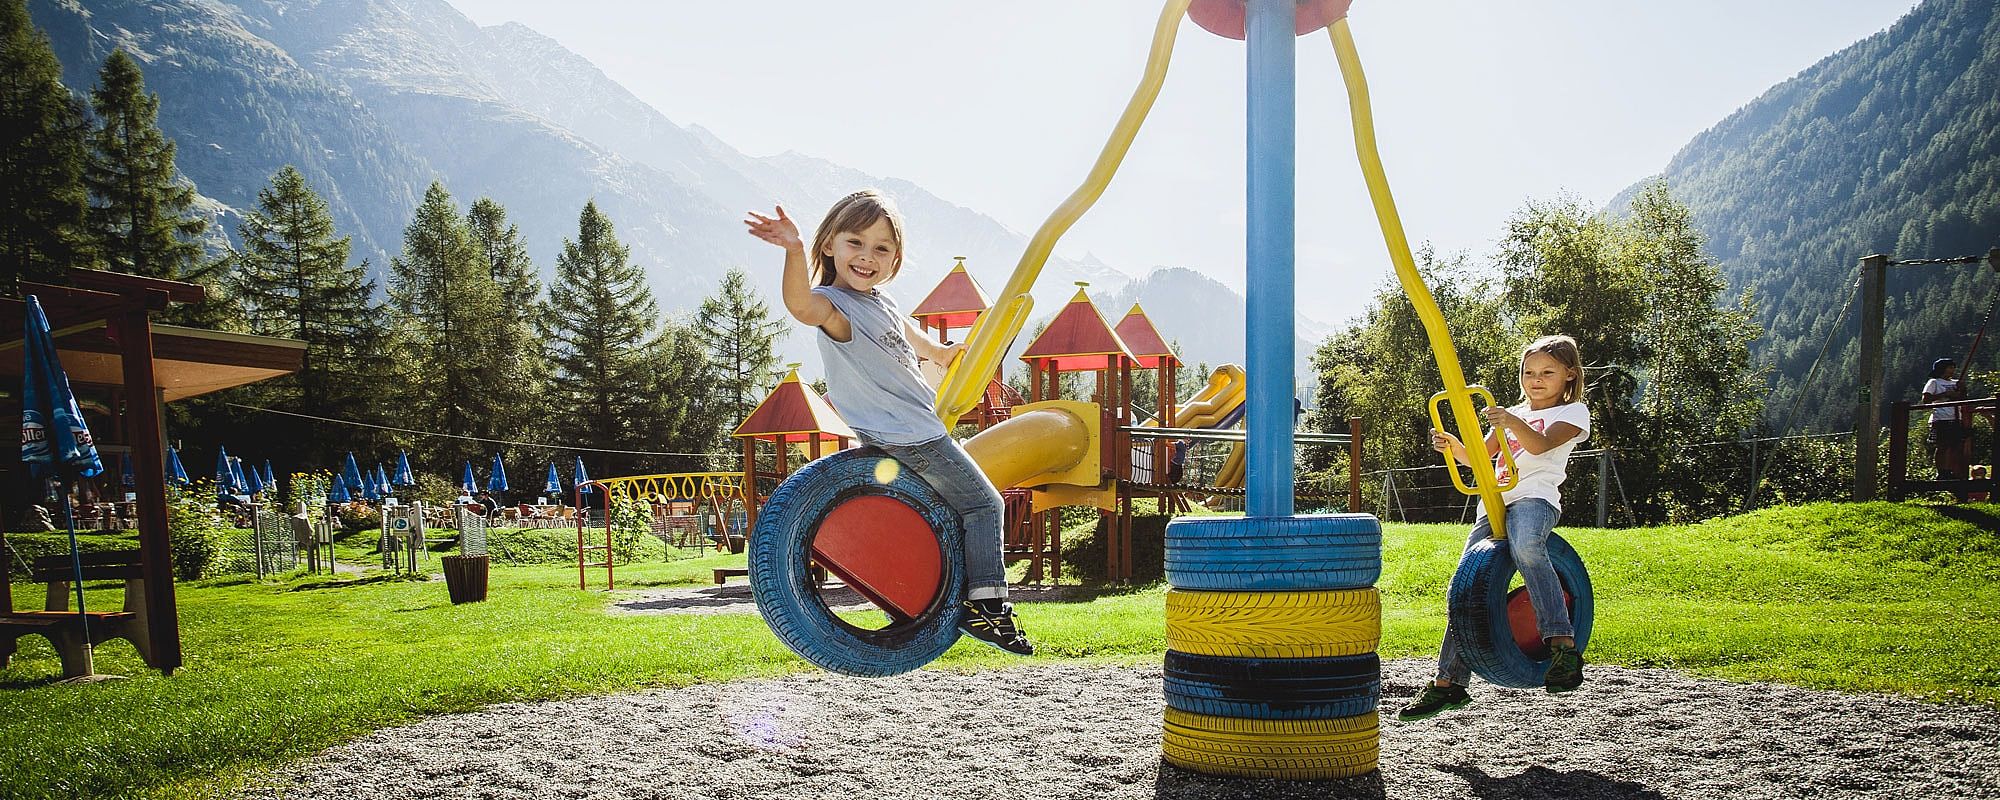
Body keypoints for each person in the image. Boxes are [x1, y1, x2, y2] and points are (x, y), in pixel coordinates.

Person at [745, 189, 1033, 656]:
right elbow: (801, 306)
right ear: (829, 246)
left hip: (911, 429)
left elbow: (905, 331)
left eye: (881, 248)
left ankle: (954, 589)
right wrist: (793, 251)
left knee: (956, 508)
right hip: (909, 435)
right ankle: (988, 604)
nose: (867, 257)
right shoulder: (835, 307)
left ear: (895, 259)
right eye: (855, 243)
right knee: (984, 505)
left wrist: (938, 353)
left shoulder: (880, 302)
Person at [1399, 334, 1593, 721]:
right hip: (1494, 502)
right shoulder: (1513, 413)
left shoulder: (1572, 414)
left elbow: (1538, 446)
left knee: (1527, 547)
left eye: (1547, 373)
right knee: (1467, 587)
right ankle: (1449, 682)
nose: (1535, 380)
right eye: (1528, 372)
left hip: (1534, 499)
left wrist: (1513, 422)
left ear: (1569, 376)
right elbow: (1479, 458)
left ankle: (1562, 643)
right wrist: (1453, 446)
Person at [1922, 358, 1969, 485]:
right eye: (1950, 367)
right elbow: (1926, 399)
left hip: (1955, 418)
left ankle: (1950, 470)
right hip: (1941, 418)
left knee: (1955, 446)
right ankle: (1941, 472)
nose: (1952, 370)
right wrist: (1945, 394)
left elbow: (1963, 398)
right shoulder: (1934, 382)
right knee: (1943, 445)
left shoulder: (1956, 383)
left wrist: (1962, 389)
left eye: (1953, 367)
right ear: (1942, 369)